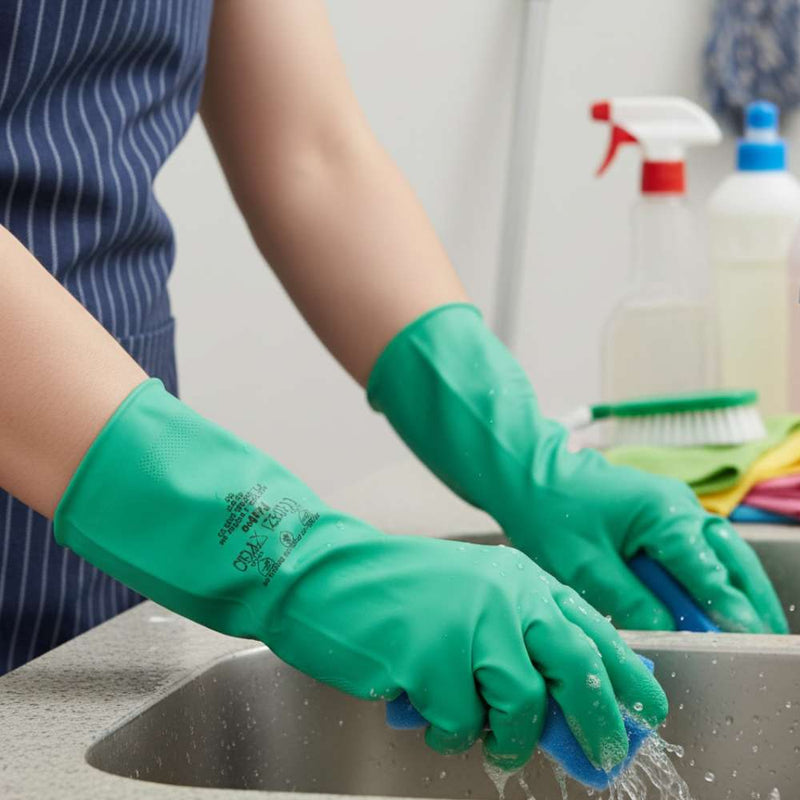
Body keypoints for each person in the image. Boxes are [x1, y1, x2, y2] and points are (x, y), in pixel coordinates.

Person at [0, 0, 786, 772]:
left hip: (115, 549)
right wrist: (290, 557)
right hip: (119, 481)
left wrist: (523, 457)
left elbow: (312, 152)